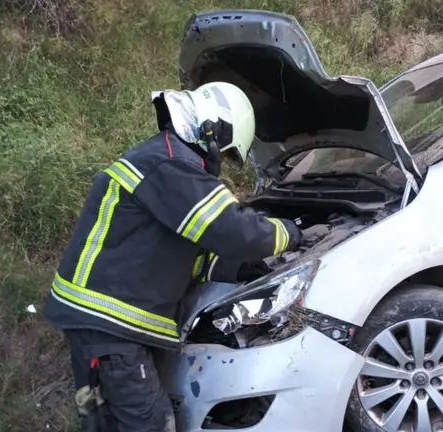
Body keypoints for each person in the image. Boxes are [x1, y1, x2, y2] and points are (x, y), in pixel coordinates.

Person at [43, 82, 302, 432]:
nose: (222, 163)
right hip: (108, 324)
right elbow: (232, 229)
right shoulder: (171, 163)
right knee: (150, 423)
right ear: (214, 131)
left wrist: (233, 267)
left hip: (97, 321)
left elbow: (176, 255)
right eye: (226, 153)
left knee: (106, 422)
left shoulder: (162, 158)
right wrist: (287, 233)